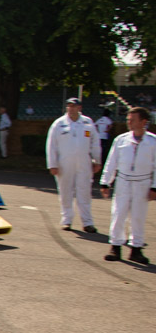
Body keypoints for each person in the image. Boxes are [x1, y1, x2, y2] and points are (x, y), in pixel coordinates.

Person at [99, 106, 156, 264]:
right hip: (123, 181)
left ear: (143, 122)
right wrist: (105, 182)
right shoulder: (121, 140)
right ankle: (115, 246)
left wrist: (154, 187)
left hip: (142, 183)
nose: (129, 123)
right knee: (118, 213)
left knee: (138, 216)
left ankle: (136, 249)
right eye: (128, 120)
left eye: (132, 120)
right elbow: (112, 162)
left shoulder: (153, 142)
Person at [46, 97, 101, 232]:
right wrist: (52, 164)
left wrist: (97, 160)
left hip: (84, 163)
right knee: (65, 192)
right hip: (64, 163)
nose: (71, 109)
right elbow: (51, 145)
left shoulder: (88, 122)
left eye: (74, 106)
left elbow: (95, 143)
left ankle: (87, 222)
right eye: (69, 106)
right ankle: (67, 220)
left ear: (79, 108)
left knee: (84, 192)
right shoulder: (59, 124)